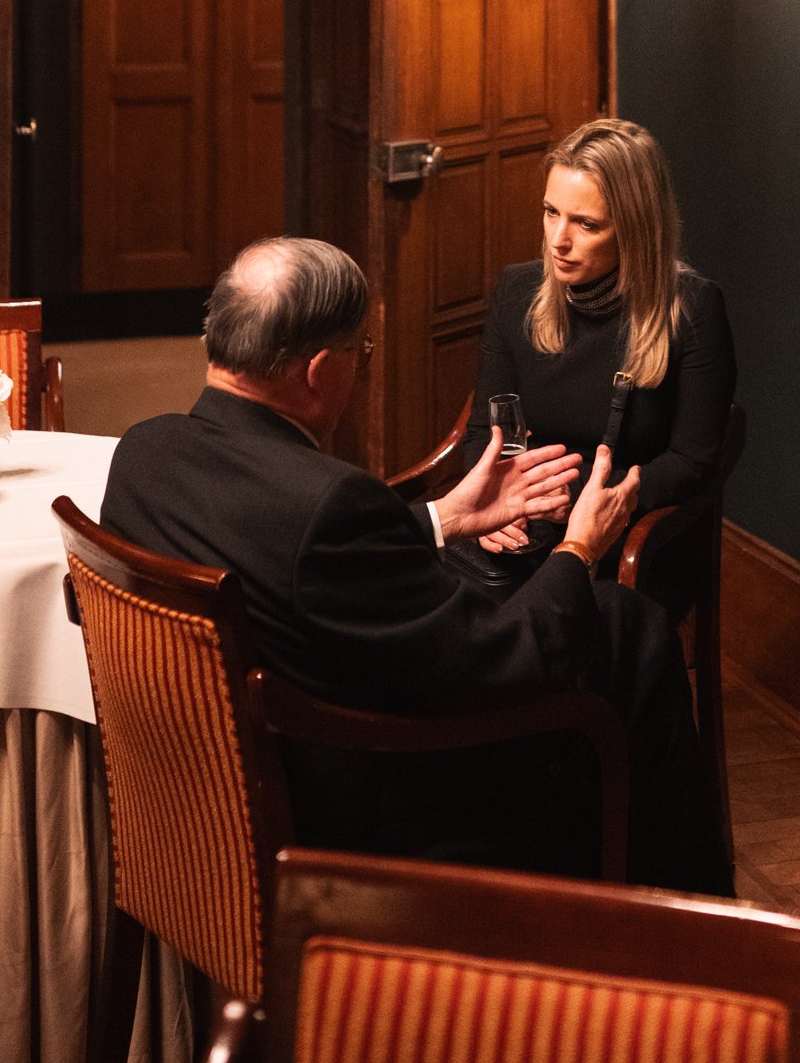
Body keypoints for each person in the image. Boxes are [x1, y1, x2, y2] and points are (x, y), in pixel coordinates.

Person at [99, 235, 727, 892]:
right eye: (358, 353)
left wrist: (445, 518)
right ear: (317, 370)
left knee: (599, 618)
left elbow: (287, 549)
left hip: (217, 794)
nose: (360, 367)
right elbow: (505, 660)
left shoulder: (143, 454)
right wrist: (579, 545)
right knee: (624, 621)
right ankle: (688, 923)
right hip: (371, 808)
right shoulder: (330, 502)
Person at [455, 117, 736, 582]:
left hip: (627, 533)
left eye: (586, 224)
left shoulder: (693, 309)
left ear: (636, 229)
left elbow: (693, 460)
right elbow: (485, 427)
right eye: (551, 212)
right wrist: (495, 503)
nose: (558, 240)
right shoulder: (516, 291)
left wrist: (597, 500)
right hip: (527, 517)